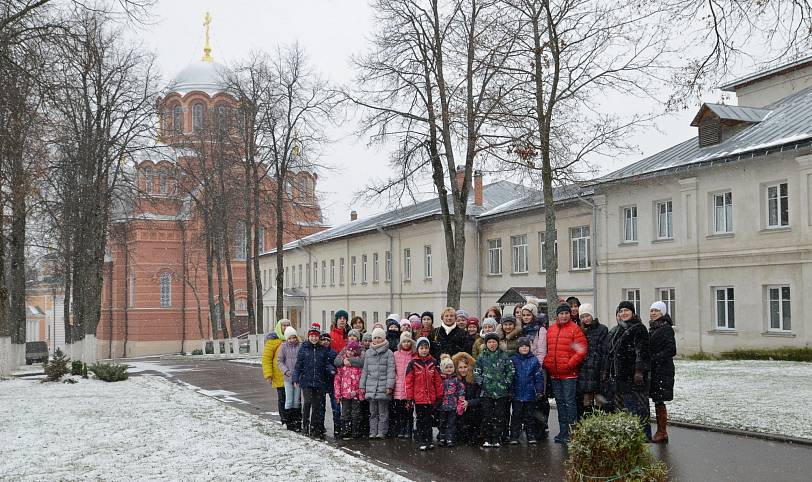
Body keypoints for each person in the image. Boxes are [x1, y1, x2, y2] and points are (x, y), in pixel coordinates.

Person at [606, 301, 652, 440]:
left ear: (633, 312)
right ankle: (628, 436)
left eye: (626, 310)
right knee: (624, 408)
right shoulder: (618, 329)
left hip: (634, 376)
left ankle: (643, 437)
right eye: (621, 311)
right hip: (620, 377)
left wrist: (638, 371)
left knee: (638, 408)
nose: (623, 313)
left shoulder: (639, 329)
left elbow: (642, 352)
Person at [544, 304, 587, 444]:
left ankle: (572, 432)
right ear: (557, 315)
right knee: (560, 403)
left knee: (569, 403)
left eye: (566, 313)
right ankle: (563, 432)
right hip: (555, 374)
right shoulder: (551, 330)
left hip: (569, 374)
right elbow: (547, 349)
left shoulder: (574, 330)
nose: (564, 316)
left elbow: (581, 350)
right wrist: (548, 363)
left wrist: (569, 364)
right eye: (561, 313)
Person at [293, 324, 335, 438]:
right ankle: (305, 425)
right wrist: (295, 377)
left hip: (319, 381)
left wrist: (331, 369)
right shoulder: (304, 348)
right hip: (306, 381)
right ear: (308, 336)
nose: (314, 338)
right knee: (307, 403)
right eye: (312, 336)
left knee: (317, 405)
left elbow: (326, 363)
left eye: (316, 336)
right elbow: (298, 365)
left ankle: (314, 426)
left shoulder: (323, 349)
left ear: (319, 337)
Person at [475, 332, 515, 448]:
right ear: (486, 344)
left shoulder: (504, 355)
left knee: (499, 415)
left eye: (494, 342)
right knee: (487, 415)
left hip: (501, 392)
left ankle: (497, 437)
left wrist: (506, 382)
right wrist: (481, 381)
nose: (492, 344)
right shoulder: (482, 356)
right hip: (486, 392)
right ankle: (487, 437)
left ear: (498, 343)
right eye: (489, 342)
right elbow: (477, 371)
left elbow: (510, 370)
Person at [406, 337, 443, 451]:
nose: (424, 350)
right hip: (419, 398)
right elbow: (408, 381)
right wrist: (410, 398)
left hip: (430, 398)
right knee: (421, 420)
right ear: (417, 349)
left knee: (429, 420)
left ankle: (429, 440)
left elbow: (438, 380)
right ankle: (422, 440)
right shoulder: (413, 363)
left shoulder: (433, 362)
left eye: (426, 348)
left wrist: (439, 395)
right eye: (421, 348)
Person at [648, 301, 676, 443]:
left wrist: (654, 358)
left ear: (662, 312)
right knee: (657, 399)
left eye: (656, 310)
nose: (653, 313)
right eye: (652, 310)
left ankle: (662, 431)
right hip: (655, 369)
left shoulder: (666, 328)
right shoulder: (653, 328)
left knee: (659, 400)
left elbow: (671, 350)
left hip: (662, 370)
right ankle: (660, 430)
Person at [361, 327, 396, 439]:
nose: (376, 340)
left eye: (379, 338)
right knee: (373, 413)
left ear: (383, 339)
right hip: (371, 387)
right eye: (375, 337)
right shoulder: (368, 353)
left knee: (383, 413)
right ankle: (373, 432)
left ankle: (382, 432)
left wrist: (389, 386)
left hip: (383, 387)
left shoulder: (389, 353)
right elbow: (365, 371)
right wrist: (362, 386)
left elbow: (391, 370)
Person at [519, 304, 549, 436]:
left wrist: (536, 368)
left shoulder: (540, 330)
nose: (526, 317)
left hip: (537, 368)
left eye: (528, 315)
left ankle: (541, 428)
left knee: (539, 399)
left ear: (533, 315)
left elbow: (542, 351)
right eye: (524, 315)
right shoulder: (522, 329)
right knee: (528, 400)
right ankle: (530, 427)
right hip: (524, 368)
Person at [510, 337, 545, 444]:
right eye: (522, 346)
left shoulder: (534, 360)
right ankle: (514, 436)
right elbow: (510, 376)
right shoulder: (513, 359)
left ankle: (530, 435)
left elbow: (538, 377)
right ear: (518, 348)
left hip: (530, 393)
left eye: (526, 346)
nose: (524, 348)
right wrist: (510, 390)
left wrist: (539, 390)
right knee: (516, 416)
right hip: (517, 393)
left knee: (529, 416)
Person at [577, 303, 609, 419]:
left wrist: (603, 369)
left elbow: (604, 351)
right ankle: (587, 425)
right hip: (584, 370)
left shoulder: (602, 329)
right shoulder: (580, 331)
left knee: (599, 399)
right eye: (583, 317)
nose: (586, 319)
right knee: (586, 400)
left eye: (587, 316)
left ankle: (599, 425)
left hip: (597, 369)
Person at [334, 340, 365, 439]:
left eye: (353, 351)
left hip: (355, 394)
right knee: (345, 413)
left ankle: (355, 431)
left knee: (356, 413)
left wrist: (360, 392)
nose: (350, 352)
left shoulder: (358, 365)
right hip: (345, 394)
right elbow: (337, 380)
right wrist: (338, 394)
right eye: (349, 350)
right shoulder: (342, 365)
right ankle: (346, 430)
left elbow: (361, 380)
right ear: (346, 350)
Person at [262, 319, 289, 427]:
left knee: (294, 399)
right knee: (283, 398)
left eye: (288, 325)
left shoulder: (294, 339)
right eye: (283, 325)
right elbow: (266, 359)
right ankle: (284, 420)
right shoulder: (272, 342)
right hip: (279, 376)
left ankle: (293, 419)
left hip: (292, 376)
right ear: (279, 327)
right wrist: (268, 375)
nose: (286, 327)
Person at [437, 355, 466, 447]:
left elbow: (461, 392)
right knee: (442, 423)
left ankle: (450, 439)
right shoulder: (440, 379)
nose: (449, 369)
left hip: (452, 406)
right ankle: (442, 438)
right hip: (442, 406)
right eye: (447, 367)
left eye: (451, 367)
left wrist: (460, 404)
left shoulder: (456, 380)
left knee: (451, 423)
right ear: (442, 368)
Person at [452, 352, 481, 445]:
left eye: (465, 367)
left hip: (472, 409)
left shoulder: (474, 380)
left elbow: (480, 397)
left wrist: (469, 402)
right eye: (460, 367)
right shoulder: (454, 380)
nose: (463, 370)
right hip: (457, 409)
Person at [392, 332, 417, 439]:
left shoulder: (414, 356)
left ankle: (408, 430)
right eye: (404, 342)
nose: (406, 344)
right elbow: (393, 369)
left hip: (409, 388)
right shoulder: (396, 354)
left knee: (409, 411)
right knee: (399, 411)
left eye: (408, 342)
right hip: (398, 386)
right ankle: (400, 429)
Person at [278, 326, 302, 432]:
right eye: (290, 338)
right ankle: (288, 422)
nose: (292, 340)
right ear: (286, 338)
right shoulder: (283, 347)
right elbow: (279, 361)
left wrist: (300, 372)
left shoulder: (300, 346)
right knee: (289, 400)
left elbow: (302, 360)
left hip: (298, 378)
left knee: (296, 401)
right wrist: (286, 371)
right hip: (288, 378)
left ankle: (297, 422)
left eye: (294, 337)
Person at [319, 332, 341, 438]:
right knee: (320, 408)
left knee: (336, 408)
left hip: (332, 383)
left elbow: (336, 365)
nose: (325, 342)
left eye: (328, 340)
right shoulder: (317, 352)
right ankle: (320, 427)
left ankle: (338, 428)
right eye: (323, 340)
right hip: (321, 383)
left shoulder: (333, 353)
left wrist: (333, 370)